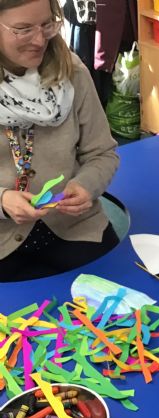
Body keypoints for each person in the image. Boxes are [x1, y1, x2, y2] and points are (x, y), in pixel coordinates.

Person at [0, 0, 120, 282]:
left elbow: (103, 153)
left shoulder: (73, 73)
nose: (39, 40)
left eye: (47, 24)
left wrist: (87, 185)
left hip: (75, 229)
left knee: (123, 296)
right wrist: (3, 201)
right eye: (23, 29)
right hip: (4, 242)